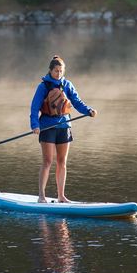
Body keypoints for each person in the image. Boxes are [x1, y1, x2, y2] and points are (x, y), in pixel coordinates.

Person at [30, 55, 97, 203]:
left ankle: (61, 196)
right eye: (56, 71)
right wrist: (35, 125)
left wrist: (88, 110)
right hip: (47, 126)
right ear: (50, 70)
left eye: (61, 71)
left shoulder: (67, 84)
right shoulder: (43, 86)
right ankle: (41, 196)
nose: (59, 74)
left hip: (64, 126)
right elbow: (34, 108)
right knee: (47, 161)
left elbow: (77, 102)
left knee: (62, 162)